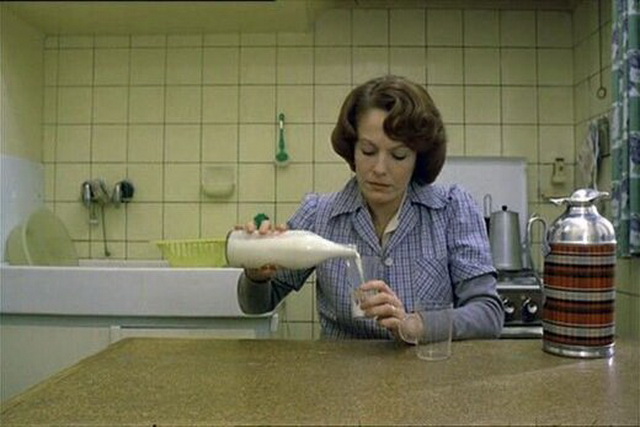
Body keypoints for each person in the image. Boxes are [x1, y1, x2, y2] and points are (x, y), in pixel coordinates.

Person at [236, 75, 503, 341]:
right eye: (368, 151)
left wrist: (416, 325)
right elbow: (257, 305)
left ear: (418, 158)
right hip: (339, 368)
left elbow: (488, 313)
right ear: (352, 149)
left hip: (424, 367)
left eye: (398, 155)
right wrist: (256, 275)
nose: (379, 169)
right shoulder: (318, 215)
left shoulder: (451, 209)